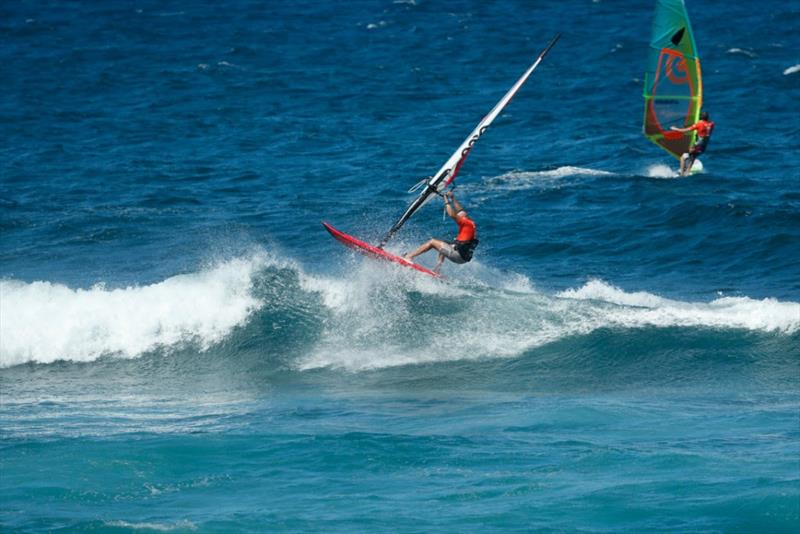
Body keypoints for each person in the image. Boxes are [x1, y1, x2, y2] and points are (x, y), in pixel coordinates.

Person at [403, 191, 478, 274]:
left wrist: (446, 200)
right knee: (444, 243)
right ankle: (437, 269)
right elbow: (460, 210)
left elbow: (451, 214)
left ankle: (409, 256)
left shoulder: (465, 222)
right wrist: (453, 198)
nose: (458, 214)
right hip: (463, 257)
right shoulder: (471, 223)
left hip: (458, 256)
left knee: (432, 242)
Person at [671, 111, 714, 176]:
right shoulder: (711, 124)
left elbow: (685, 130)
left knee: (683, 157)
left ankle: (682, 174)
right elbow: (707, 123)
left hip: (698, 145)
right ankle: (687, 172)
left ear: (700, 117)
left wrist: (675, 129)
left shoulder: (699, 124)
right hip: (704, 145)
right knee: (693, 156)